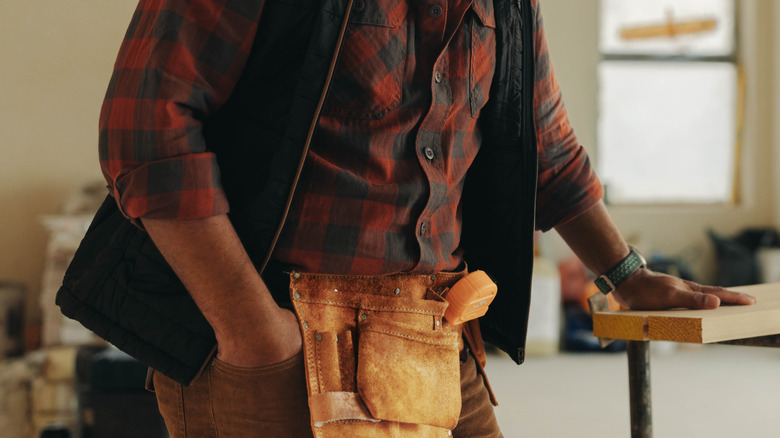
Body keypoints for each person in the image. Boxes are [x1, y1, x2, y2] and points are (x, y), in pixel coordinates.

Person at [59, 0, 756, 436]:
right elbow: (145, 128)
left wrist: (626, 274)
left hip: (434, 335)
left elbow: (543, 144)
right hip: (271, 340)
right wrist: (253, 335)